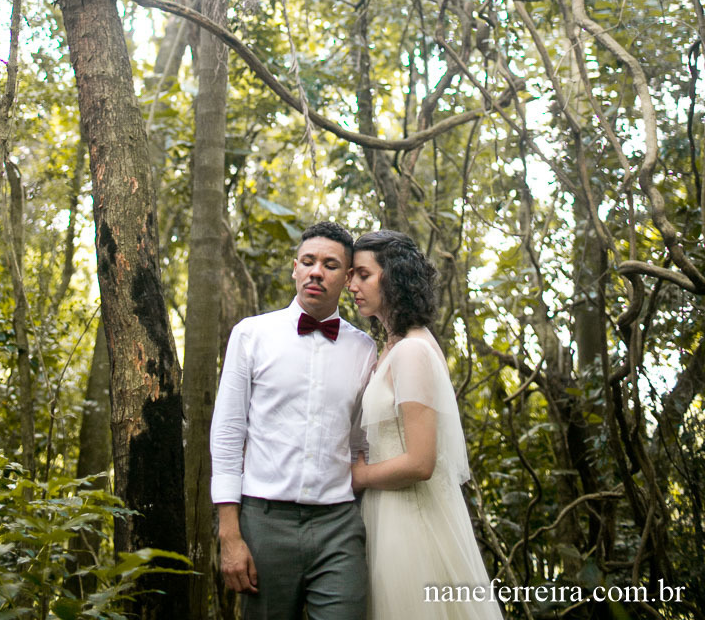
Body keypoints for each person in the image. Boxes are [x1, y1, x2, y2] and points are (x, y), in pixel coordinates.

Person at [210, 220, 377, 620]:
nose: (317, 271)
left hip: (338, 524)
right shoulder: (251, 335)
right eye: (308, 261)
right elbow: (229, 434)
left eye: (331, 264)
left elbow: (360, 442)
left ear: (348, 276)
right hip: (264, 522)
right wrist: (230, 534)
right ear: (295, 268)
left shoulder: (365, 348)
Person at [348, 230, 503, 620]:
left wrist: (359, 476)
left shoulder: (413, 351)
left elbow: (420, 461)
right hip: (386, 511)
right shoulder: (393, 346)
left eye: (363, 275)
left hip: (410, 518)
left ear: (393, 277)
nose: (352, 285)